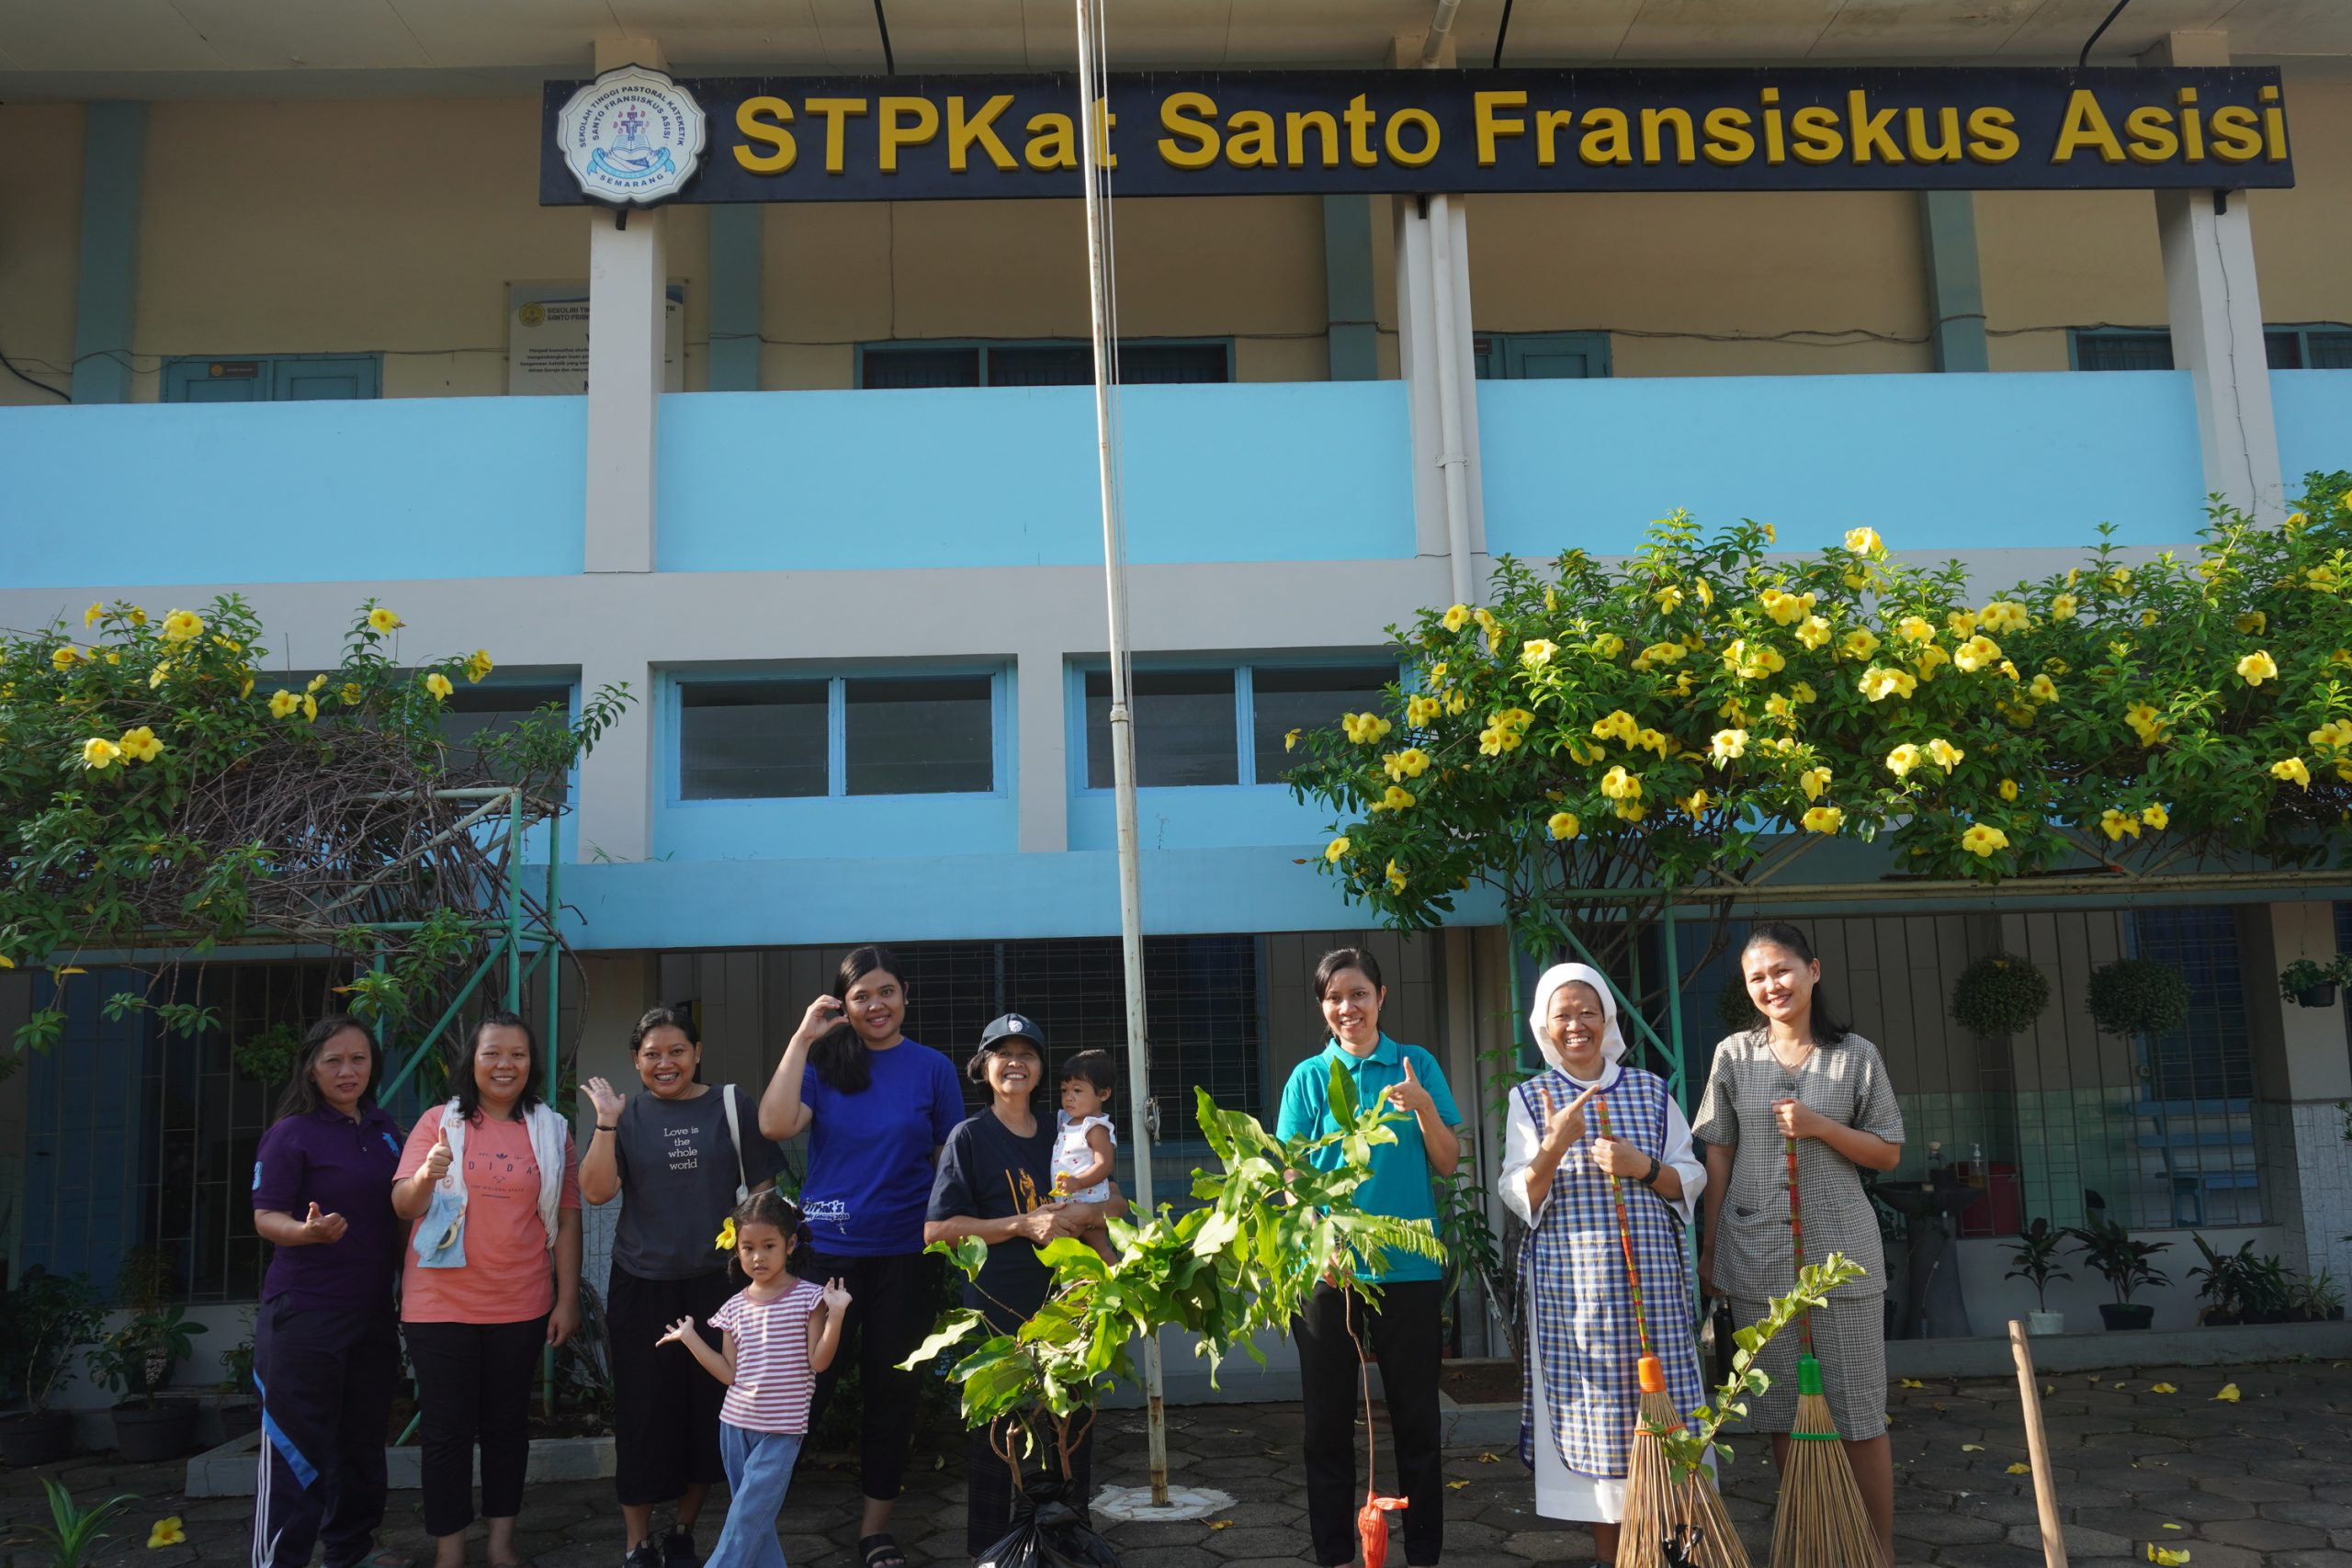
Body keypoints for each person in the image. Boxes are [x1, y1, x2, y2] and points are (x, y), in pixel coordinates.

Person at [1694, 922, 1905, 1567]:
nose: (1771, 985)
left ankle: (1877, 1553)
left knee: (1859, 1411)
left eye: (1782, 969)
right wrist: (1711, 1245)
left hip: (1843, 1254)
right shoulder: (1734, 1055)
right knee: (1783, 1411)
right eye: (1756, 977)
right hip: (1757, 1252)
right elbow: (1718, 1151)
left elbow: (1887, 1152)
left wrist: (1819, 1126)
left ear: (1813, 970)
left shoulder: (1856, 1055)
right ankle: (1813, 1543)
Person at [755, 946, 963, 1568]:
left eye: (886, 992)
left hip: (906, 1255)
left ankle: (875, 1531)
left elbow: (948, 1160)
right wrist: (802, 1037)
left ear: (905, 995)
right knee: (800, 1390)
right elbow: (774, 1124)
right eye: (862, 996)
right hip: (827, 1257)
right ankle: (753, 1525)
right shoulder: (823, 1061)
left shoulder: (932, 1068)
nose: (876, 1005)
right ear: (842, 1004)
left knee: (892, 1394)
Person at [1498, 964, 1708, 1568]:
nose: (1576, 1024)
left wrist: (1642, 1165)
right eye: (1562, 1014)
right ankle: (1614, 1558)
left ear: (1608, 1018)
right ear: (1544, 1026)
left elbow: (1690, 1176)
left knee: (1669, 1420)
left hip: (1652, 1289)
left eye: (1587, 1011)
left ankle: (1677, 1550)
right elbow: (1518, 1194)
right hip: (1576, 1296)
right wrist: (1554, 1144)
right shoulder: (1529, 1098)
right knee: (1602, 1424)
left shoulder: (1650, 1090)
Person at [1274, 948, 1462, 1568]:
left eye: (1358, 994)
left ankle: (1424, 1554)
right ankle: (1333, 1554)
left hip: (1409, 1270)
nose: (1347, 1007)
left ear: (1381, 997)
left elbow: (1447, 1161)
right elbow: (1291, 1176)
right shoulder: (1308, 1078)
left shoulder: (1417, 1065)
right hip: (1329, 1273)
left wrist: (1423, 1105)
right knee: (1326, 1425)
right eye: (1334, 997)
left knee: (1417, 1421)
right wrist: (1317, 1240)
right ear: (1322, 1006)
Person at [582, 1004, 786, 1568]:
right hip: (641, 1285)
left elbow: (763, 1195)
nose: (665, 1063)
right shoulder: (626, 1115)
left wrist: (763, 1274)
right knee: (643, 1414)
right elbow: (595, 1192)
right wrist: (605, 1122)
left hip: (717, 1286)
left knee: (711, 1412)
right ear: (636, 1061)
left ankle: (682, 1531)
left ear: (697, 1053)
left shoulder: (732, 1104)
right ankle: (636, 1543)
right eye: (652, 1054)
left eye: (677, 1051)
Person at [923, 1014, 1128, 1558]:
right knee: (1000, 1438)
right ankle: (995, 1553)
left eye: (1028, 1054)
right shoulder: (969, 1137)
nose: (1015, 1062)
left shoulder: (1068, 1130)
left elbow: (1117, 1203)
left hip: (1070, 1307)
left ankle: (1068, 1547)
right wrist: (1022, 1224)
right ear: (983, 1067)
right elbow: (938, 1231)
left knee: (1070, 1432)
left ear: (1041, 1070)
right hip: (998, 1312)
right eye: (1003, 1053)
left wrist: (1085, 1215)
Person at [392, 1011, 583, 1568]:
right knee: (446, 1433)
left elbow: (567, 1216)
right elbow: (403, 1205)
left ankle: (502, 1547)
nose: (505, 1065)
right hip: (439, 1305)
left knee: (506, 1429)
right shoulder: (437, 1122)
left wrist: (566, 1298)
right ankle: (449, 1553)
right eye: (492, 1053)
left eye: (517, 1054)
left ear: (531, 1063)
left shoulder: (553, 1131)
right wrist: (427, 1174)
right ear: (471, 1061)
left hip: (520, 1303)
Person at [249, 1015, 411, 1568]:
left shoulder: (385, 1130)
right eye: (333, 1061)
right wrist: (306, 1232)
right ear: (311, 1069)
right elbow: (266, 1216)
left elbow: (401, 1211)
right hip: (305, 1315)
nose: (348, 1071)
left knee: (360, 1446)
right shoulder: (291, 1133)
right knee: (297, 1453)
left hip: (371, 1312)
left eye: (358, 1059)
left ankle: (349, 1552)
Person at [657, 1191, 849, 1568]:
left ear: (790, 1245)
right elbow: (728, 1373)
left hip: (782, 1429)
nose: (758, 1257)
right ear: (736, 1249)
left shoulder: (810, 1299)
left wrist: (837, 1316)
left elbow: (819, 1362)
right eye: (748, 1248)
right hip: (734, 1427)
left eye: (768, 1246)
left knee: (747, 1518)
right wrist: (690, 1338)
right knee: (753, 1519)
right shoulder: (733, 1308)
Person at [1051, 1049, 1119, 1260]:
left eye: (1078, 1090)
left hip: (1088, 1200)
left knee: (1090, 1247)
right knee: (1087, 1248)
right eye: (1064, 1090)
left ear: (1104, 1094)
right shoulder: (1065, 1120)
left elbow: (1104, 1164)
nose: (1069, 1097)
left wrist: (1078, 1182)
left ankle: (1119, 1277)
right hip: (1071, 1198)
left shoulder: (1095, 1127)